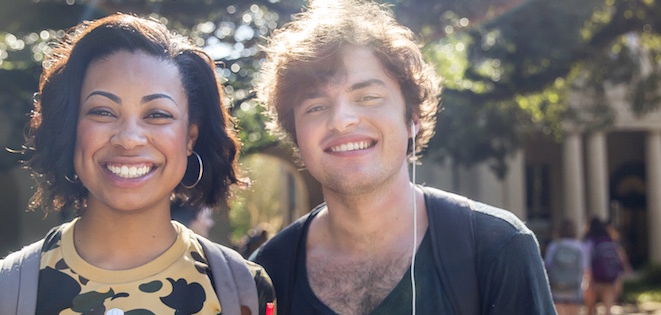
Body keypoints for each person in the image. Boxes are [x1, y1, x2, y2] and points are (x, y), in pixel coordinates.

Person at [0, 14, 274, 314]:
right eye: (102, 112)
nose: (128, 139)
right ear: (71, 129)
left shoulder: (245, 292)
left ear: (189, 138)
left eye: (157, 115)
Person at [249, 0, 555, 314]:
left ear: (413, 118)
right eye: (315, 107)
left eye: (367, 97)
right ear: (296, 136)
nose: (341, 120)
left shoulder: (497, 248)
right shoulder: (264, 275)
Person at [582, 218, 629, 315]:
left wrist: (587, 277)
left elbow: (587, 259)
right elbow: (619, 257)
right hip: (608, 277)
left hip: (594, 277)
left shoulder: (590, 241)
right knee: (608, 308)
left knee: (590, 309)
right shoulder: (609, 240)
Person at [545, 219, 588, 315]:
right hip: (574, 286)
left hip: (557, 285)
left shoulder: (554, 246)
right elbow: (585, 268)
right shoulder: (580, 247)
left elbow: (547, 266)